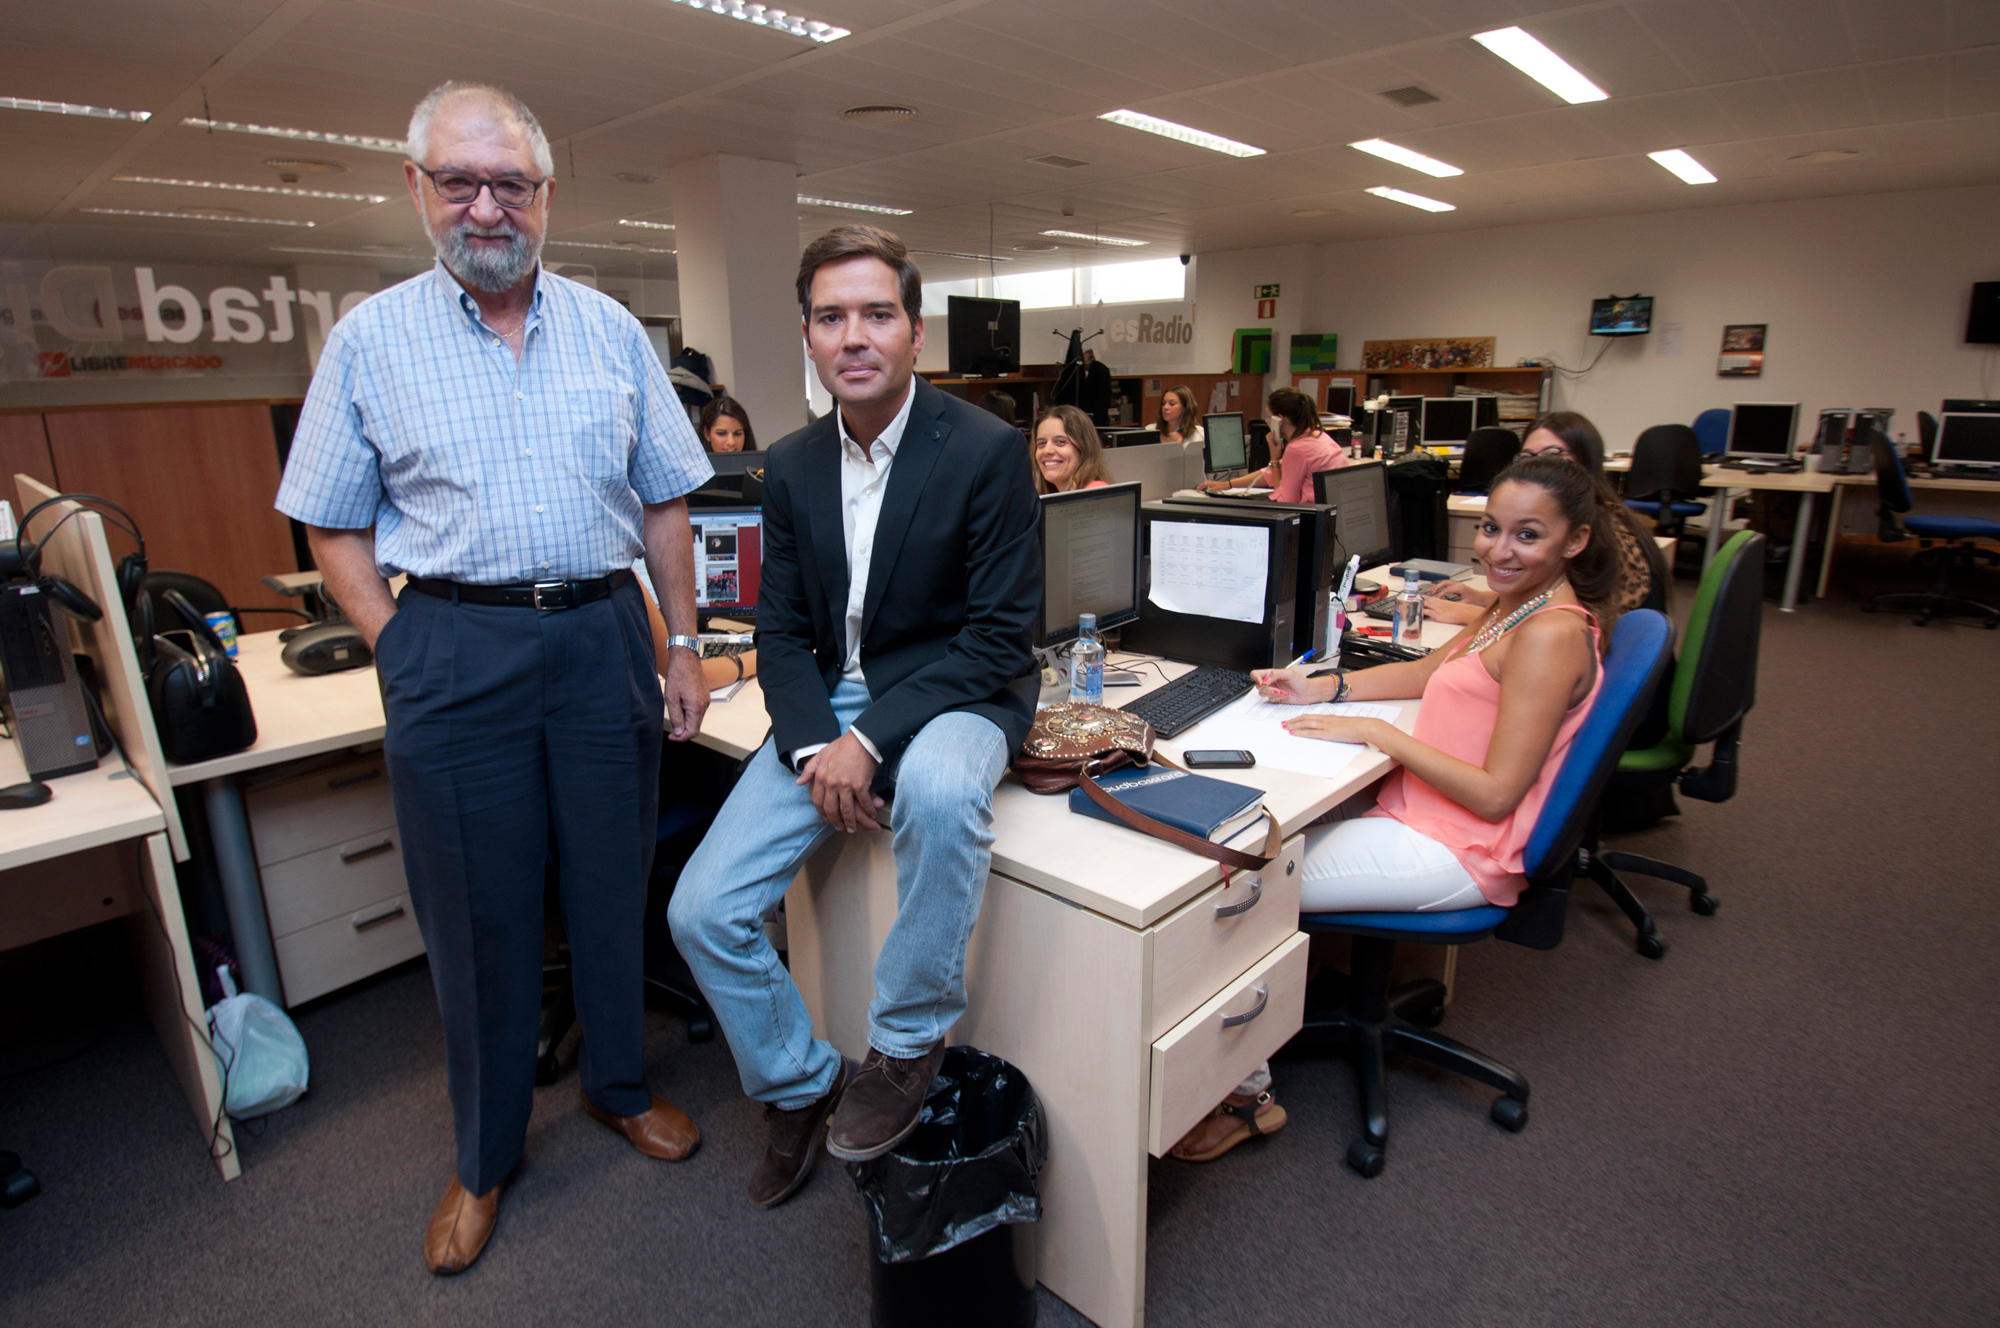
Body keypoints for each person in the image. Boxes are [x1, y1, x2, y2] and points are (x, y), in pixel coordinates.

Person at [274, 82, 712, 1276]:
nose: (485, 207)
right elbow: (330, 521)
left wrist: (681, 640)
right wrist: (396, 641)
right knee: (476, 915)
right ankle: (483, 1153)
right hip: (454, 640)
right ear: (416, 186)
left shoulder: (611, 331)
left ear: (545, 195)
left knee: (612, 881)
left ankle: (619, 1086)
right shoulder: (370, 340)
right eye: (459, 182)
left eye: (509, 184)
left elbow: (665, 501)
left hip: (601, 633)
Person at [669, 225, 1041, 1210]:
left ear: (915, 331)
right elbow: (782, 632)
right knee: (700, 910)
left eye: (877, 313)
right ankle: (799, 1081)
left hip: (963, 689)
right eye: (831, 317)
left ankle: (906, 1041)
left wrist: (868, 742)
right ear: (807, 336)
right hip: (831, 698)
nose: (855, 336)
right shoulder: (791, 465)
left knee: (940, 790)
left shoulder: (987, 450)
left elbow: (998, 637)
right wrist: (814, 746)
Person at [1170, 453, 1613, 1161]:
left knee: (1242, 889)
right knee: (1260, 823)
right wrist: (1328, 687)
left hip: (1460, 846)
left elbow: (1497, 792)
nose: (1499, 550)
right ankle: (1289, 986)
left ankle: (1248, 1099)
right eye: (1492, 528)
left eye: (1527, 535)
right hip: (1422, 810)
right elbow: (1431, 671)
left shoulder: (1550, 634)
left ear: (1576, 540)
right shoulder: (1515, 604)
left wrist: (1382, 736)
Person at [1424, 411, 1667, 624]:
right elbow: (1550, 599)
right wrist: (1482, 599)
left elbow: (1581, 624)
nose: (1540, 468)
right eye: (1528, 458)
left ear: (1586, 462)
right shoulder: (1586, 514)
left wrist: (1470, 615)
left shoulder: (1606, 533)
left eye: (1553, 456)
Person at [1197, 387, 1344, 501]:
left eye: (1268, 416)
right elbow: (1269, 474)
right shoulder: (1319, 436)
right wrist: (1226, 484)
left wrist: (1274, 458)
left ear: (1279, 419)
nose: (1267, 421)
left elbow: (1285, 503)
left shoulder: (1297, 449)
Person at [1032, 404, 1114, 494]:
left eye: (1060, 442)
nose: (1047, 450)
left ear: (1083, 449)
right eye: (1041, 443)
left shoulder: (1095, 492)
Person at [1078, 347, 1114, 426]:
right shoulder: (1097, 372)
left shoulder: (1098, 372)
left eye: (1085, 361)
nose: (1084, 364)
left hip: (1097, 416)